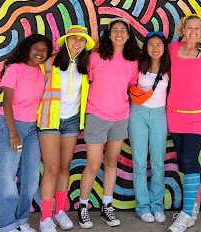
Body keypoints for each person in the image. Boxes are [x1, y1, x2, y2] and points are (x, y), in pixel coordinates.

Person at [76, 18, 140, 229]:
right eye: (115, 30)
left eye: (123, 30)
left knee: (112, 162)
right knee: (93, 164)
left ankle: (106, 206)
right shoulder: (96, 56)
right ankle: (83, 206)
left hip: (120, 117)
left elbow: (131, 86)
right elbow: (87, 81)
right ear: (109, 34)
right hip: (96, 116)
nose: (119, 34)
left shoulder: (133, 61)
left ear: (129, 35)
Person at [166, 14, 201, 232]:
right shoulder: (171, 49)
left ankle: (187, 214)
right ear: (182, 29)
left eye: (197, 28)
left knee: (190, 160)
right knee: (182, 161)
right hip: (174, 113)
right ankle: (193, 205)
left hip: (197, 115)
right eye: (189, 27)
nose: (193, 31)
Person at [37, 26, 94, 232]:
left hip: (71, 121)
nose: (77, 43)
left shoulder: (86, 65)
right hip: (49, 120)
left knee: (64, 167)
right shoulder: (49, 61)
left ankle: (60, 211)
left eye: (81, 40)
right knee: (51, 168)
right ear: (66, 41)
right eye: (73, 39)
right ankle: (45, 217)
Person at [0, 34, 52, 232]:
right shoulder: (15, 69)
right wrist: (12, 133)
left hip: (31, 129)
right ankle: (6, 225)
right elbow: (6, 103)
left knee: (31, 178)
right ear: (27, 48)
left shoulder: (42, 72)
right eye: (36, 48)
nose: (40, 53)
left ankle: (21, 221)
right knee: (7, 179)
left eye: (44, 50)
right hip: (10, 127)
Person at [128, 31, 171, 223]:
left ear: (164, 48)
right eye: (151, 44)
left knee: (158, 162)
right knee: (138, 163)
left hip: (160, 115)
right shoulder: (138, 65)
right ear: (146, 47)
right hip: (138, 114)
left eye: (159, 45)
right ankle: (143, 207)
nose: (155, 48)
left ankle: (157, 205)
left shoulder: (170, 67)